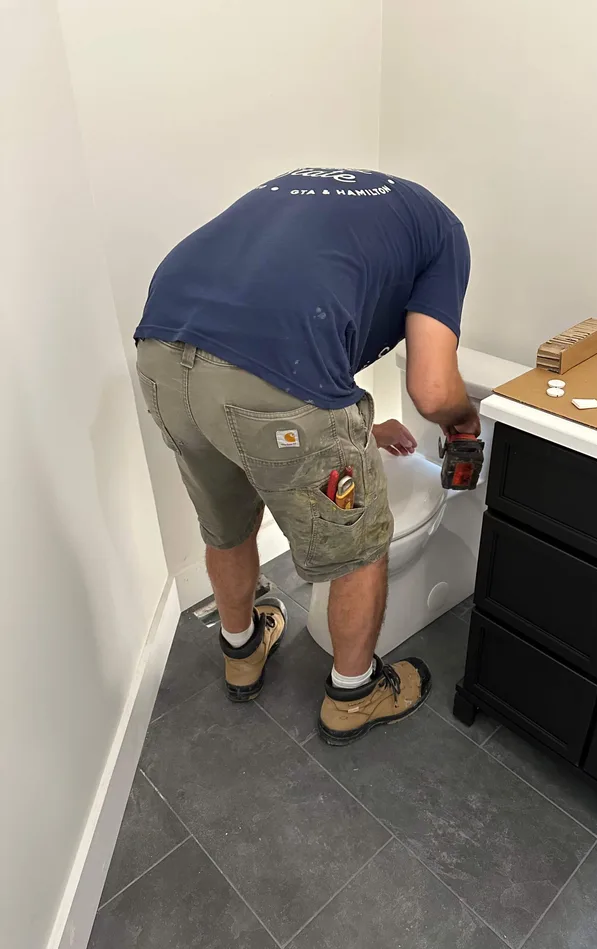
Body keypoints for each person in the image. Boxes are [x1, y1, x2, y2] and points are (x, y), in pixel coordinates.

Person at [135, 167, 480, 745]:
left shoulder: (311, 196)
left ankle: (241, 652)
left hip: (162, 358)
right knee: (359, 548)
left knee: (226, 525)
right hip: (271, 378)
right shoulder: (445, 234)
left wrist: (357, 425)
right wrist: (464, 420)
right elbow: (433, 388)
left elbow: (276, 329)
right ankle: (354, 696)